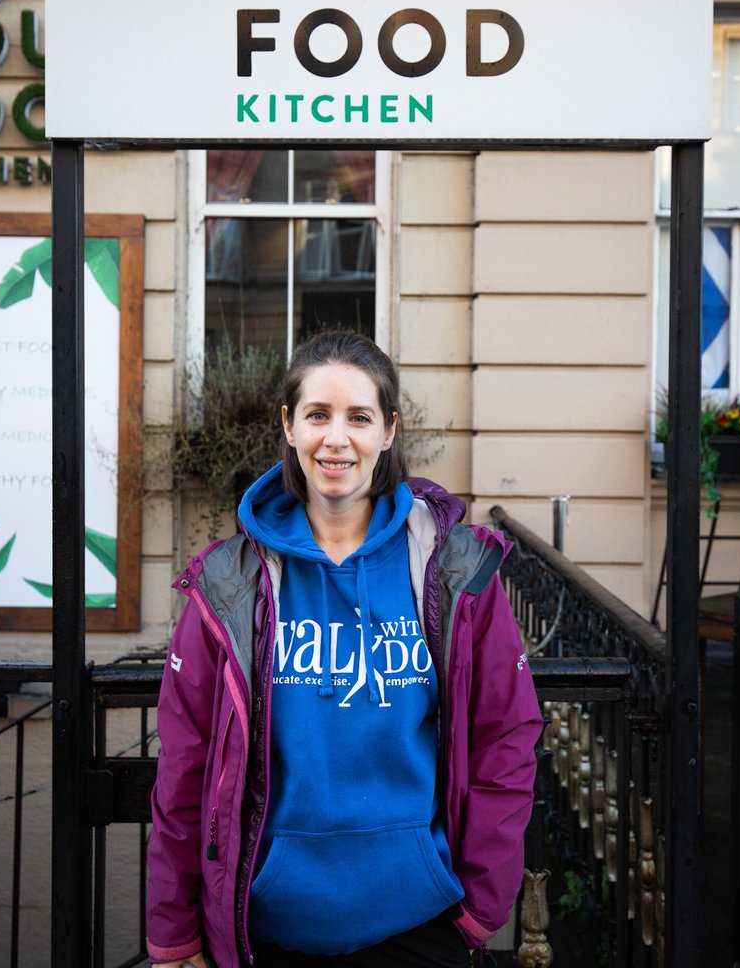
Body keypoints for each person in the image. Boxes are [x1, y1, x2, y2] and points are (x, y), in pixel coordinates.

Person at [146, 329, 542, 968]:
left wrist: (483, 905)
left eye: (359, 417)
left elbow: (507, 737)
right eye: (317, 415)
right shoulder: (228, 582)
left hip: (421, 925)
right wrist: (173, 934)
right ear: (289, 426)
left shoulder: (452, 571)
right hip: (268, 930)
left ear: (388, 431)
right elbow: (184, 770)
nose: (337, 438)